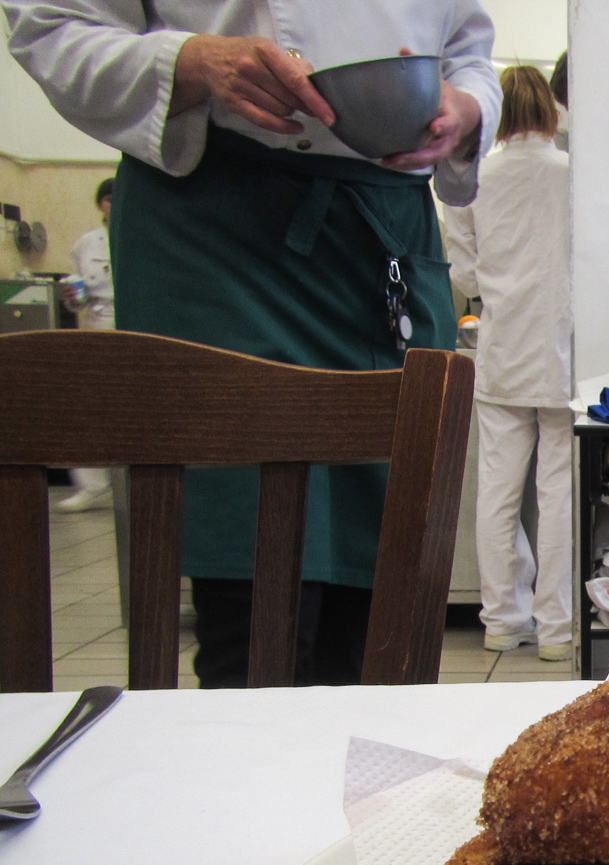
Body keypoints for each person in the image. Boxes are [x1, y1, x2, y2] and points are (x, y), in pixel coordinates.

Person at [5, 2, 501, 686]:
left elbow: (469, 49)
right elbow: (51, 25)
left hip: (383, 232)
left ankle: (363, 749)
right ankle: (242, 745)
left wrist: (468, 105)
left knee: (383, 585)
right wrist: (187, 60)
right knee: (257, 593)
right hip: (219, 220)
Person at [441, 65, 572, 658]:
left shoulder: (473, 178)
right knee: (557, 493)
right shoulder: (573, 175)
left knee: (496, 493)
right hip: (563, 353)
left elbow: (465, 275)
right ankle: (558, 630)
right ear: (548, 109)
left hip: (501, 352)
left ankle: (501, 622)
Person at [55, 175, 117, 512]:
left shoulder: (145, 236)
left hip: (143, 323)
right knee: (88, 405)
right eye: (108, 199)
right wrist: (72, 298)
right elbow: (77, 300)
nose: (113, 205)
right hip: (102, 325)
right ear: (99, 204)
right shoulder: (87, 245)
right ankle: (92, 485)